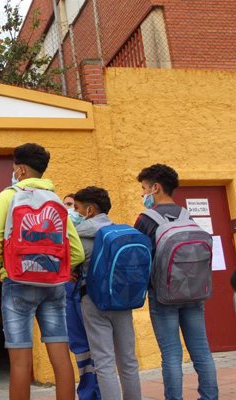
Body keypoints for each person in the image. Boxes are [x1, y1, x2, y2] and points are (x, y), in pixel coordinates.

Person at [0, 143, 85, 400]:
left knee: (20, 362)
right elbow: (77, 252)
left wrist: (1, 270)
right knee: (61, 356)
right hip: (53, 285)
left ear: (21, 169)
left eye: (14, 168)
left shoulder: (8, 196)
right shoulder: (56, 200)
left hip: (17, 282)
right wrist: (59, 270)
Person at [134, 164, 218, 400]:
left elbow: (140, 259)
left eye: (144, 189)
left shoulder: (146, 220)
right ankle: (210, 397)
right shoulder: (187, 215)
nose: (143, 195)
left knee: (171, 354)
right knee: (201, 351)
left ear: (156, 187)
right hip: (193, 293)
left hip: (163, 296)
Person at [74, 186, 141, 400]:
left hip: (93, 301)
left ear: (90, 210)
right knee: (129, 360)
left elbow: (68, 266)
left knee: (104, 362)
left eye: (76, 208)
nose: (74, 213)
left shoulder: (78, 237)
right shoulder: (121, 233)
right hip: (122, 300)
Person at [65, 191, 101, 400]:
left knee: (97, 347)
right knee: (80, 348)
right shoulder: (63, 234)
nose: (70, 210)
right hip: (69, 293)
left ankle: (100, 391)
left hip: (89, 295)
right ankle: (88, 393)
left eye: (73, 206)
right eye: (66, 206)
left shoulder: (92, 234)